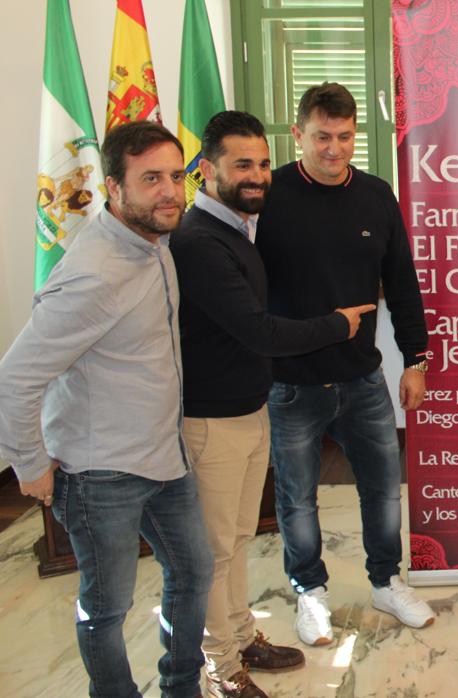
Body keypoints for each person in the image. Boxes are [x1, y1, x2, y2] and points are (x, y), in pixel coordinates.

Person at [0, 121, 213, 698]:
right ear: (114, 188)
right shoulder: (95, 274)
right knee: (107, 606)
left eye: (176, 175)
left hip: (164, 460)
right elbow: (15, 376)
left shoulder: (155, 245)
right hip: (101, 475)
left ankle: (182, 686)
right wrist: (30, 464)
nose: (170, 191)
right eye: (151, 180)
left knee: (193, 573)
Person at [171, 111, 378, 697]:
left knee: (238, 537)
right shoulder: (198, 242)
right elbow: (259, 332)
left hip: (244, 408)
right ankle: (222, 666)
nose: (259, 175)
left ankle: (241, 637)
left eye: (263, 162)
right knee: (214, 550)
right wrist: (337, 324)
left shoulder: (237, 229)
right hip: (209, 420)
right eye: (242, 164)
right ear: (205, 169)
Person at [255, 82, 435, 646]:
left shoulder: (377, 195)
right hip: (291, 383)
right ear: (298, 134)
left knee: (383, 491)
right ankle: (310, 593)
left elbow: (403, 284)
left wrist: (416, 359)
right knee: (296, 499)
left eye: (345, 136)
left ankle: (386, 581)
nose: (334, 149)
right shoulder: (268, 195)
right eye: (321, 137)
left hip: (362, 377)